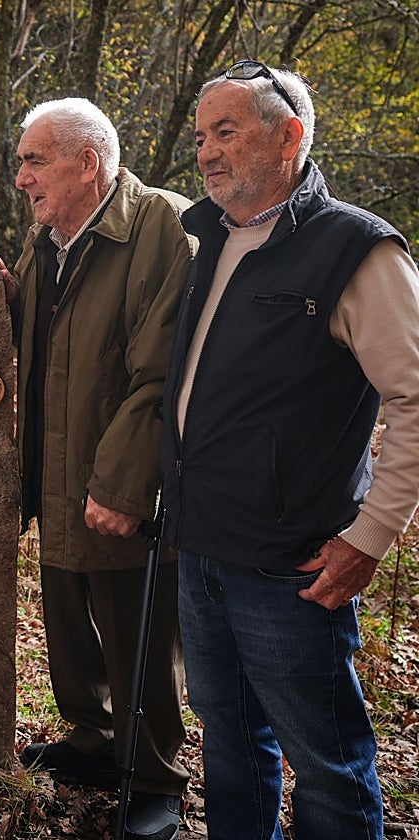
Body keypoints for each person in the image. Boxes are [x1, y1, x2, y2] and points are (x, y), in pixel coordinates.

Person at [162, 61, 419, 840]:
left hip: (294, 566)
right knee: (232, 748)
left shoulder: (358, 249)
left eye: (228, 131)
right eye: (203, 135)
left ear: (290, 135)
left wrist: (370, 537)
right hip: (201, 548)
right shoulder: (207, 239)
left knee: (328, 764)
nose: (206, 151)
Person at [0, 98, 194, 840]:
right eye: (22, 162)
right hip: (57, 473)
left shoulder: (166, 227)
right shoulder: (49, 239)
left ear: (88, 162)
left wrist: (123, 485)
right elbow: (28, 338)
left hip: (121, 482)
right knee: (70, 621)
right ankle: (94, 743)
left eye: (34, 160)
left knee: (140, 631)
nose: (21, 179)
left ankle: (157, 776)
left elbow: (162, 373)